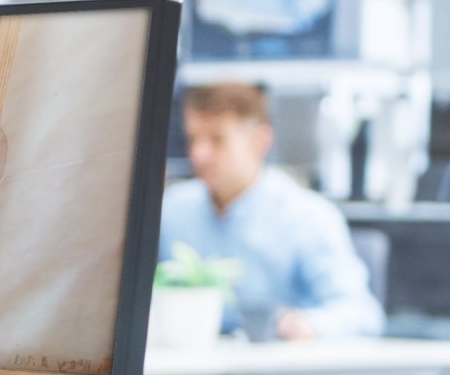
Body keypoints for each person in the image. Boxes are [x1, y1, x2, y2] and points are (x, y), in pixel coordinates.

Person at [160, 80, 384, 341]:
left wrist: (309, 325)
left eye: (217, 139)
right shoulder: (172, 211)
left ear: (260, 140)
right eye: (193, 138)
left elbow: (362, 314)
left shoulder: (307, 217)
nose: (199, 154)